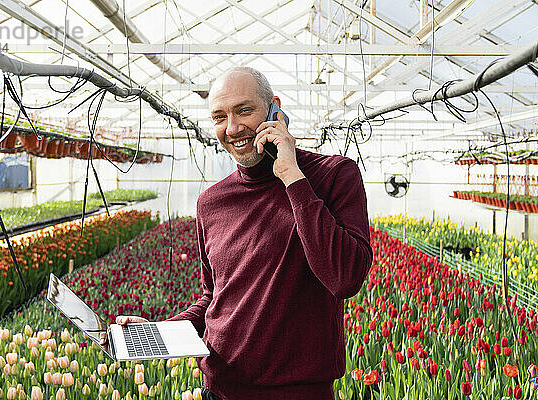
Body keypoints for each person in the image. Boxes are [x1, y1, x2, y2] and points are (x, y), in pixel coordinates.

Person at [114, 66, 373, 400]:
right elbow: (214, 297)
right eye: (219, 117)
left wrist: (291, 175)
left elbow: (344, 277)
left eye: (244, 111)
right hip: (218, 389)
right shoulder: (211, 202)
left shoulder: (333, 176)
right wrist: (159, 332)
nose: (232, 128)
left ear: (274, 109)